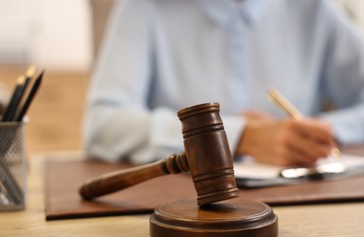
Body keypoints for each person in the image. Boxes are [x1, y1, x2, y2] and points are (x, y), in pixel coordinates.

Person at [83, 0, 364, 167]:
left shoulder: (315, 9)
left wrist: (310, 133)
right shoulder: (144, 7)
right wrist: (241, 137)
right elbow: (103, 124)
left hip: (308, 210)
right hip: (179, 210)